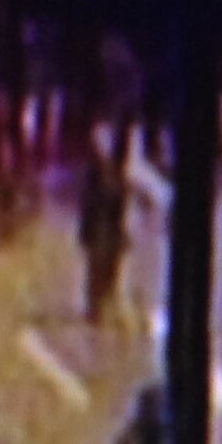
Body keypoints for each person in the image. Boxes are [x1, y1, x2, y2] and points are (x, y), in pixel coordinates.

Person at [77, 129, 130, 323]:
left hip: (111, 231)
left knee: (111, 269)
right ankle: (95, 307)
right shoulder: (93, 177)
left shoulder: (118, 173)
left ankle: (106, 303)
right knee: (97, 269)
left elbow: (120, 207)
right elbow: (88, 205)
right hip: (99, 230)